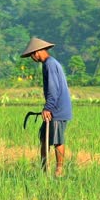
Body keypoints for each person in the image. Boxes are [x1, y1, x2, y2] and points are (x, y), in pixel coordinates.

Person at [21, 37, 72, 177]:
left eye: (32, 55)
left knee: (57, 140)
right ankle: (44, 170)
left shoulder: (50, 64)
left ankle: (59, 171)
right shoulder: (48, 64)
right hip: (54, 107)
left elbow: (53, 89)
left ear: (36, 53)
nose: (32, 58)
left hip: (57, 109)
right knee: (44, 139)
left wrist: (48, 108)